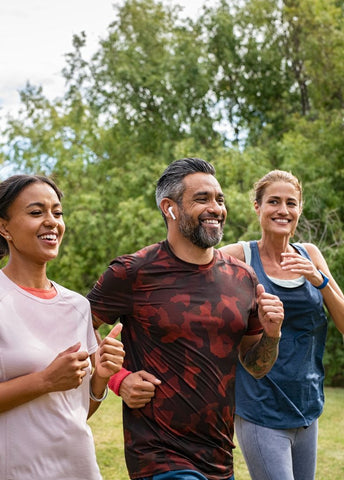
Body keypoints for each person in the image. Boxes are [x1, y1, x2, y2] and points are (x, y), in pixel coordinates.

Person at [87, 157, 285, 480]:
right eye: (202, 199)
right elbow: (79, 324)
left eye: (219, 199)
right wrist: (119, 379)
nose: (216, 208)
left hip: (219, 456)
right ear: (170, 208)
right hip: (158, 454)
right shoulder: (132, 272)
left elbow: (255, 366)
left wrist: (272, 333)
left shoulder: (243, 278)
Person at [0, 174, 125, 480]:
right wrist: (45, 380)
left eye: (57, 213)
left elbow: (73, 412)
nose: (52, 221)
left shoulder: (78, 306)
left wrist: (100, 379)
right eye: (37, 213)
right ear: (4, 227)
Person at [219, 170, 344, 480]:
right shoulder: (239, 256)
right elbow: (191, 279)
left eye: (291, 203)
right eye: (273, 201)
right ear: (257, 207)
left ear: (299, 209)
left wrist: (320, 280)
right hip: (261, 409)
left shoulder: (310, 254)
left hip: (307, 407)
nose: (283, 211)